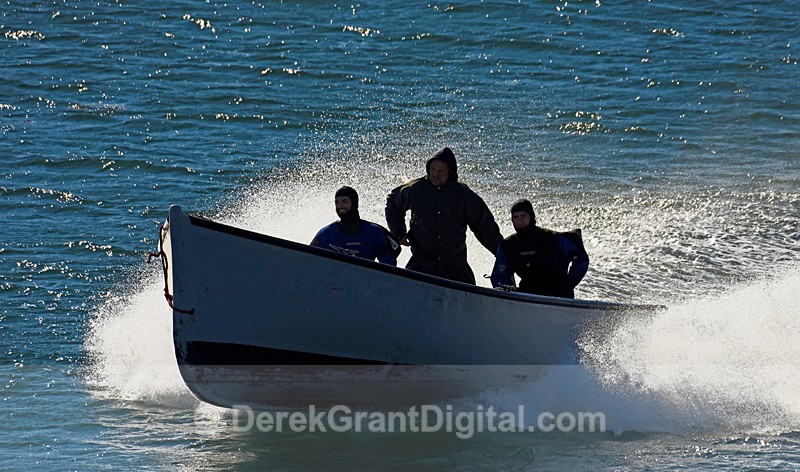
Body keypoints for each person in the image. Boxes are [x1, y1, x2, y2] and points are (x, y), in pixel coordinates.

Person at [385, 146, 502, 284]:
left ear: (450, 172)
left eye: (440, 171)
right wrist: (399, 233)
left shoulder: (462, 194)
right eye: (432, 169)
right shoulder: (415, 188)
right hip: (422, 264)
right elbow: (392, 204)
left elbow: (484, 225)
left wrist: (502, 253)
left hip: (455, 266)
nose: (435, 174)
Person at [490, 199, 589, 298]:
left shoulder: (552, 239)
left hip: (559, 296)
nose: (519, 220)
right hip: (526, 296)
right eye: (515, 217)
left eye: (523, 216)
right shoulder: (508, 245)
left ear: (531, 216)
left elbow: (581, 259)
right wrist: (504, 294)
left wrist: (569, 284)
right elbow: (500, 276)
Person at [311, 186, 398, 266]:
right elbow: (309, 261)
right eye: (337, 202)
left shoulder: (374, 232)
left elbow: (390, 266)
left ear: (354, 203)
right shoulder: (326, 234)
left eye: (344, 201)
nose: (339, 205)